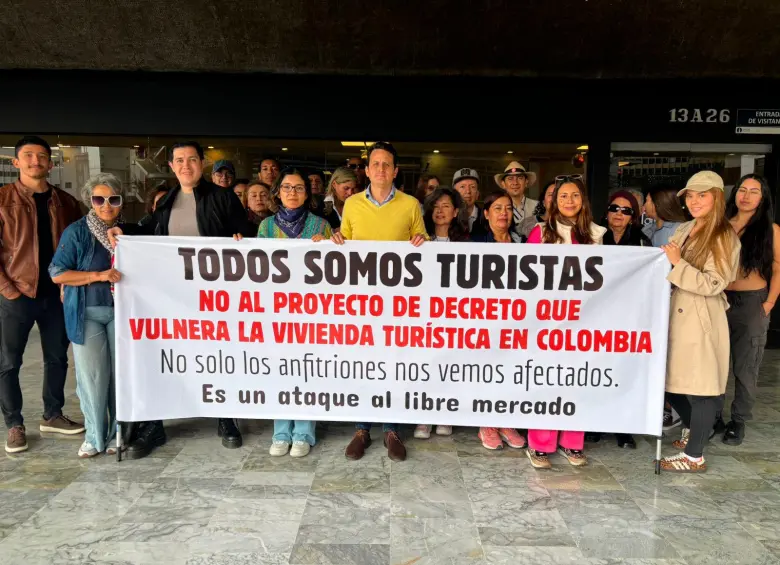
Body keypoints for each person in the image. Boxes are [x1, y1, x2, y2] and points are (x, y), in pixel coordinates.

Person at [108, 140, 250, 458]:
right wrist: (122, 231)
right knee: (166, 356)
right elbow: (148, 234)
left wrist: (240, 239)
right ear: (172, 166)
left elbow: (246, 235)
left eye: (192, 159)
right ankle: (155, 425)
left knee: (217, 355)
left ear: (202, 163)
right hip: (173, 296)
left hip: (214, 296)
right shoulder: (167, 201)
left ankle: (226, 418)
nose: (186, 165)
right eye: (179, 160)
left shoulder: (223, 197)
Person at [331, 142, 426, 462]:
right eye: (376, 164)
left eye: (387, 164)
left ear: (395, 171)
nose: (381, 169)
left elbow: (423, 244)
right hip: (362, 301)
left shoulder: (411, 204)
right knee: (364, 364)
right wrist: (337, 240)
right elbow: (345, 244)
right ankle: (362, 429)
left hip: (398, 302)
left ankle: (391, 430)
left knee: (394, 364)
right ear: (367, 170)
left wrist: (421, 241)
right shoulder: (352, 204)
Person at [0, 136, 84, 454]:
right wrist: (7, 289)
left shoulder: (66, 202)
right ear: (16, 162)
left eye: (42, 156)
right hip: (16, 293)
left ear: (50, 163)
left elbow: (81, 243)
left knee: (57, 357)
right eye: (28, 155)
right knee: (9, 362)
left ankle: (52, 414)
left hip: (57, 294)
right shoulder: (3, 199)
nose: (36, 161)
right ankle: (14, 424)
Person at [659, 171, 741, 472]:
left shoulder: (723, 236)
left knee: (703, 387)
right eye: (690, 196)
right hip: (676, 313)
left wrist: (677, 263)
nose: (694, 201)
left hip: (702, 317)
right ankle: (697, 430)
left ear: (716, 197)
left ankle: (694, 456)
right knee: (670, 382)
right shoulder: (686, 228)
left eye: (701, 195)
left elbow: (713, 283)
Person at [525, 175, 606, 469]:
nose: (569, 201)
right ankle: (540, 443)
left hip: (583, 320)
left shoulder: (596, 234)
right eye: (563, 196)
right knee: (546, 380)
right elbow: (527, 277)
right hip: (547, 320)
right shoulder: (541, 233)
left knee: (576, 380)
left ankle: (572, 441)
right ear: (554, 201)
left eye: (575, 195)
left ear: (583, 200)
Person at [49, 173, 124, 458]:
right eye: (99, 199)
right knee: (92, 377)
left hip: (122, 314)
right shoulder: (77, 232)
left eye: (113, 199)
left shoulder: (128, 233)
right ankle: (94, 436)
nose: (106, 205)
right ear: (89, 201)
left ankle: (118, 433)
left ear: (121, 202)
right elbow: (58, 273)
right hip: (86, 313)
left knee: (121, 376)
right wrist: (98, 276)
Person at [257, 169, 331, 457]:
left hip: (311, 311)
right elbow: (256, 267)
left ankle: (303, 433)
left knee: (307, 370)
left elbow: (333, 268)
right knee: (280, 370)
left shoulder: (321, 226)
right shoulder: (266, 227)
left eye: (299, 188)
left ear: (307, 193)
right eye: (287, 187)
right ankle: (280, 433)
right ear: (277, 192)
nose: (292, 192)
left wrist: (326, 247)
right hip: (277, 311)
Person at [716, 174, 779, 446]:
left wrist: (769, 303)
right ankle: (713, 416)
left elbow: (777, 267)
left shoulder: (770, 230)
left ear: (762, 198)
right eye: (742, 190)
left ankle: (738, 420)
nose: (746, 196)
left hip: (753, 301)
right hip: (720, 299)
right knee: (715, 363)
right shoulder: (722, 225)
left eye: (754, 191)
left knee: (746, 366)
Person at [587, 190, 649, 449]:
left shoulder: (642, 243)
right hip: (596, 315)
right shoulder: (594, 237)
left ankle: (623, 428)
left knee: (623, 372)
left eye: (626, 210)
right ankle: (593, 424)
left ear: (633, 217)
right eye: (614, 208)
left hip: (628, 317)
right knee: (596, 371)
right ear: (607, 211)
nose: (619, 214)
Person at [467, 190, 526, 450]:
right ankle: (487, 424)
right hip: (484, 317)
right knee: (487, 370)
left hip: (515, 317)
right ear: (486, 213)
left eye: (508, 208)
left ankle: (506, 421)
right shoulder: (475, 242)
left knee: (510, 369)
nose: (504, 213)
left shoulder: (522, 241)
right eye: (498, 208)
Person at [641, 184, 688, 432]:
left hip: (673, 301)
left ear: (659, 203)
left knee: (672, 357)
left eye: (647, 200)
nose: (644, 205)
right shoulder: (650, 229)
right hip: (653, 302)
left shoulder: (679, 231)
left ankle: (676, 411)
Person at [495, 161, 538, 237]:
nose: (515, 183)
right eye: (510, 179)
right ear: (503, 184)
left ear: (526, 182)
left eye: (520, 178)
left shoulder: (537, 206)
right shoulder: (496, 208)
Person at [453, 168, 488, 238]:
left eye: (472, 187)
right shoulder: (448, 218)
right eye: (462, 187)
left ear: (478, 194)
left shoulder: (487, 218)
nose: (468, 191)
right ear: (454, 193)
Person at [322, 167, 357, 231]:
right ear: (334, 184)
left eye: (353, 189)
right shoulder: (321, 207)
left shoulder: (357, 205)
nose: (350, 193)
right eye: (346, 188)